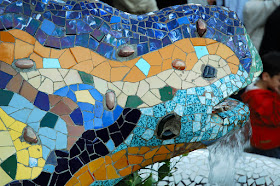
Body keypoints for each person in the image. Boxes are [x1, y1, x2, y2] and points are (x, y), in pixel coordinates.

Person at [241, 52, 280, 159]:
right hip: (267, 146)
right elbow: (275, 119)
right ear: (266, 76)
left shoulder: (262, 88)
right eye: (279, 80)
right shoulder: (258, 98)